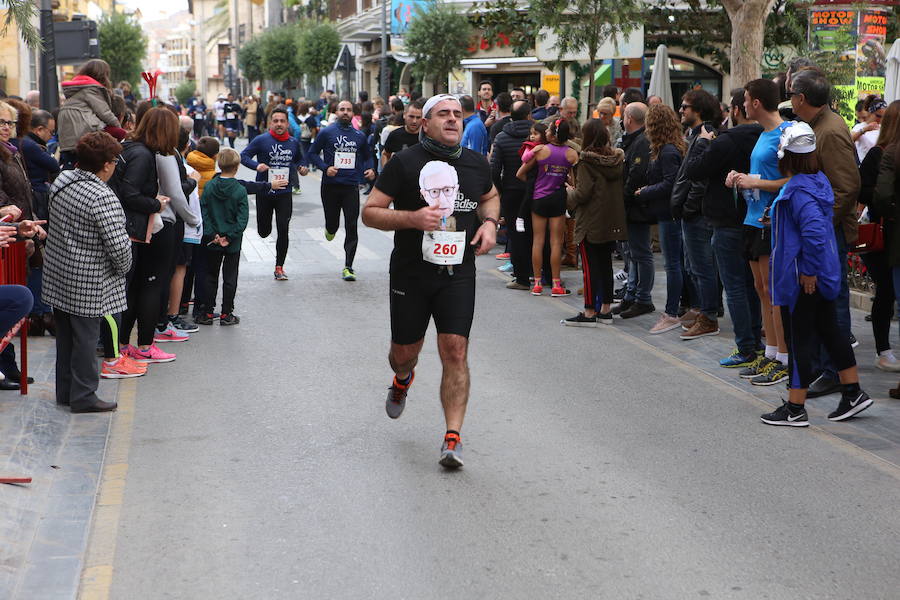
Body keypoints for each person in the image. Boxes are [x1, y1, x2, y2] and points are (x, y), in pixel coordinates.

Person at [361, 94, 500, 469]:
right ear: (425, 123)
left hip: (458, 274)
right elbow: (370, 213)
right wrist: (412, 219)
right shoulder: (404, 163)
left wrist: (490, 224)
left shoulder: (475, 164)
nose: (454, 119)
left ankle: (452, 438)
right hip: (411, 272)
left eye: (458, 114)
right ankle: (402, 379)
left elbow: (490, 197)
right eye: (444, 114)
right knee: (403, 354)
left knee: (455, 350)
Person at [761, 122, 873, 426]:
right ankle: (853, 392)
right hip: (819, 272)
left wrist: (807, 271)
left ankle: (795, 408)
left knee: (800, 340)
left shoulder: (798, 190)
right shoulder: (817, 180)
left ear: (787, 157)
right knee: (829, 331)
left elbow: (812, 232)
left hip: (803, 277)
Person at [43, 132, 135, 409]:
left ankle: (67, 391)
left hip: (59, 272)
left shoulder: (61, 181)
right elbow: (119, 246)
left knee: (67, 338)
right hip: (90, 279)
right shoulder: (101, 196)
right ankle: (83, 396)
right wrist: (124, 268)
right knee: (86, 339)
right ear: (106, 164)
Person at [789, 68, 860, 398]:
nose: (789, 100)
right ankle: (821, 369)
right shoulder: (815, 127)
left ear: (802, 98)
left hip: (827, 232)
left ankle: (835, 374)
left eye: (791, 94)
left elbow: (846, 188)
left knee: (833, 304)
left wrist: (815, 226)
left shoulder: (829, 131)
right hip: (820, 229)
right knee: (817, 305)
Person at [685, 88, 765, 369]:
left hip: (727, 222)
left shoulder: (724, 142)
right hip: (754, 219)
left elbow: (693, 170)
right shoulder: (764, 138)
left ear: (735, 111)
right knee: (753, 285)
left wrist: (704, 143)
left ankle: (746, 346)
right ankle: (755, 341)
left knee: (735, 287)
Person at [727, 79, 791, 382]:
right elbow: (763, 175)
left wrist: (756, 183)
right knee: (760, 289)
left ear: (755, 103)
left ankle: (783, 357)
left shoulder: (785, 133)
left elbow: (793, 180)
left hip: (771, 220)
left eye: (747, 99)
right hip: (753, 219)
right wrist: (741, 178)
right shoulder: (765, 133)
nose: (742, 105)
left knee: (773, 291)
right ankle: (769, 353)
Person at [108, 106, 179, 364]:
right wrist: (156, 204)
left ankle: (124, 346)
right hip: (131, 229)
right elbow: (130, 194)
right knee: (147, 287)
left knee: (134, 288)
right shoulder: (143, 155)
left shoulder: (133, 149)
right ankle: (140, 347)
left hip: (130, 229)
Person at [562, 119, 626, 326]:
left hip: (590, 221)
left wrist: (569, 193)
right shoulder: (616, 160)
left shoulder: (586, 162)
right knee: (606, 265)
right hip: (611, 219)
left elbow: (583, 194)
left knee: (590, 268)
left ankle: (589, 311)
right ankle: (606, 309)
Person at [671, 89, 721, 340]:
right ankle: (703, 310)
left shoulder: (706, 135)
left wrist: (688, 207)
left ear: (698, 110)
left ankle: (709, 316)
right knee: (693, 266)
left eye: (685, 106)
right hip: (690, 213)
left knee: (701, 267)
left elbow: (698, 178)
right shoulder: (694, 134)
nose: (681, 110)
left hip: (697, 214)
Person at [308, 99, 375, 281]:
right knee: (333, 224)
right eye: (342, 109)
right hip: (330, 186)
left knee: (352, 225)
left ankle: (348, 266)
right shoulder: (327, 132)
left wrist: (370, 169)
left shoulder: (359, 135)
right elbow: (312, 153)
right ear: (336, 112)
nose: (345, 112)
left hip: (351, 187)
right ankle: (330, 229)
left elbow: (368, 156)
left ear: (353, 113)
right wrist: (325, 168)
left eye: (349, 110)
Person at [240, 106, 307, 281]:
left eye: (282, 121)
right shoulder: (262, 140)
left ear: (287, 123)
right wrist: (257, 166)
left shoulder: (293, 142)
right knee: (264, 231)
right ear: (271, 122)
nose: (279, 124)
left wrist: (302, 168)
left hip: (284, 192)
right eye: (275, 121)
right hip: (265, 191)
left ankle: (279, 267)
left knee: (283, 229)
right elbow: (243, 156)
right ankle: (264, 230)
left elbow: (300, 160)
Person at [634, 104, 685, 333]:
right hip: (668, 213)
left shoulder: (667, 151)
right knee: (676, 263)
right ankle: (679, 308)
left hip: (669, 215)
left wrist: (645, 191)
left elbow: (669, 183)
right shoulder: (670, 148)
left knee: (673, 264)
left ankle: (672, 313)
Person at [517, 118, 579, 296]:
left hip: (539, 199)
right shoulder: (572, 154)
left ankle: (537, 283)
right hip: (558, 199)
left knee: (538, 241)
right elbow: (573, 182)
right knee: (556, 243)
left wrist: (534, 186)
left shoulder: (541, 150)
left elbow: (520, 173)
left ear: (550, 133)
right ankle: (556, 284)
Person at [860, 100, 900, 373]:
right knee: (886, 292)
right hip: (883, 234)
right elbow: (864, 193)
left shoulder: (882, 152)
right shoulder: (880, 153)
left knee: (887, 293)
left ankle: (885, 350)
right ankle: (883, 349)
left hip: (889, 230)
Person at [195, 149, 249, 326]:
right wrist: (230, 236)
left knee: (210, 276)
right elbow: (242, 220)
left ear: (219, 164)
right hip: (232, 243)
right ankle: (227, 313)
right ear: (237, 167)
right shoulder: (240, 190)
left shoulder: (210, 186)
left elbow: (204, 212)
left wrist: (213, 234)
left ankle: (208, 312)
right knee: (230, 277)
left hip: (213, 239)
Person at [616, 102, 656, 319]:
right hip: (632, 205)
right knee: (633, 253)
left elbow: (636, 173)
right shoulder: (634, 140)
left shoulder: (641, 142)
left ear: (629, 118)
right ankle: (631, 295)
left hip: (637, 206)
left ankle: (643, 298)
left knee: (641, 253)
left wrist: (624, 196)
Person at [490, 100, 534, 291]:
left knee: (516, 235)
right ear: (529, 116)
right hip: (535, 190)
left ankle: (522, 277)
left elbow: (494, 169)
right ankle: (542, 275)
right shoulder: (538, 134)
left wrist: (501, 189)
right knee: (538, 233)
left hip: (511, 192)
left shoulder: (501, 137)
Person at [57, 59, 121, 169]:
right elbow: (105, 113)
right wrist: (119, 128)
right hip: (84, 135)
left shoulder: (77, 90)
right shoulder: (91, 90)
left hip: (68, 141)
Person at [382, 99, 424, 165]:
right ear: (404, 115)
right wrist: (385, 172)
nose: (414, 121)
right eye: (411, 116)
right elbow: (385, 154)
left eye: (418, 117)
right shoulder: (395, 135)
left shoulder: (427, 136)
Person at [851, 96, 885, 163]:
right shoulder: (859, 126)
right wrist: (864, 130)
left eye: (883, 116)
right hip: (865, 165)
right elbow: (849, 140)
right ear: (870, 113)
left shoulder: (883, 126)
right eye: (878, 116)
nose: (861, 120)